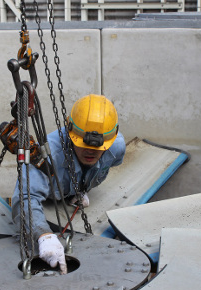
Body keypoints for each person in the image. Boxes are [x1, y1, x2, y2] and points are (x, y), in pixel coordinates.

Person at [12, 94, 126, 275]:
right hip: (49, 196)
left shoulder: (116, 148)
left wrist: (81, 188)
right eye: (83, 145)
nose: (90, 151)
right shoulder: (48, 155)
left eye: (97, 148)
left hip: (74, 191)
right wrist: (43, 235)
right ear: (70, 131)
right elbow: (24, 196)